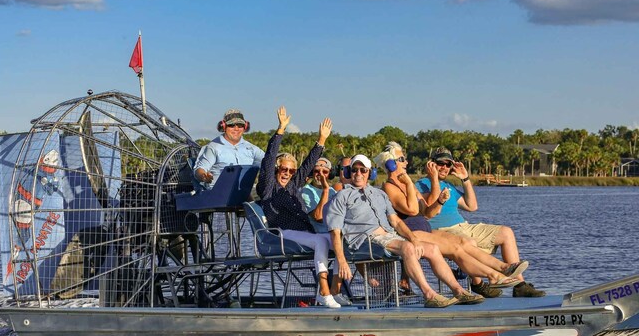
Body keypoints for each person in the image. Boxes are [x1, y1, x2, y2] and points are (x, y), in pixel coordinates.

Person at [325, 154, 484, 308]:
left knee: (432, 248)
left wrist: (413, 238)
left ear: (370, 173)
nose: (358, 174)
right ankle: (429, 294)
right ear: (348, 172)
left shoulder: (380, 194)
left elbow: (395, 221)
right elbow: (335, 231)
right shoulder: (342, 196)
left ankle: (459, 291)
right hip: (362, 241)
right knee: (407, 248)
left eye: (363, 170)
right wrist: (342, 260)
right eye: (354, 170)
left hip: (387, 237)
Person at [373, 142, 523, 298]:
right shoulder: (391, 187)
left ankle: (502, 268)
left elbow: (427, 212)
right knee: (457, 249)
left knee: (463, 244)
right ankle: (492, 276)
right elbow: (412, 209)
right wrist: (410, 184)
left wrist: (439, 202)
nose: (406, 162)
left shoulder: (406, 184)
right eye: (402, 159)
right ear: (390, 163)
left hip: (425, 229)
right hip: (411, 232)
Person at [417, 147, 545, 298]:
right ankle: (478, 283)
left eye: (448, 164)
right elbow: (430, 209)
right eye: (440, 163)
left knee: (506, 232)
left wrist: (465, 179)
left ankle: (519, 284)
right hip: (443, 230)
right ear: (431, 164)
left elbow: (472, 206)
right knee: (469, 242)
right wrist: (433, 179)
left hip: (463, 226)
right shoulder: (421, 184)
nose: (444, 167)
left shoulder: (449, 186)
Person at [256, 106, 347, 308]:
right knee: (321, 243)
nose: (287, 172)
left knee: (341, 241)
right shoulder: (268, 187)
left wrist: (321, 140)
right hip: (281, 233)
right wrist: (280, 130)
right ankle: (324, 293)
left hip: (304, 232)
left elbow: (308, 165)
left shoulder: (293, 185)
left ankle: (335, 290)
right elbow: (268, 159)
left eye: (291, 170)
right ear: (277, 169)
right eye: (283, 168)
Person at [194, 109, 265, 188]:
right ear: (223, 126)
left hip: (242, 195)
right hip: (217, 195)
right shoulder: (213, 147)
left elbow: (268, 160)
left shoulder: (251, 148)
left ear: (245, 127)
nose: (236, 129)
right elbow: (200, 170)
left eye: (240, 125)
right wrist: (204, 176)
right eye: (232, 125)